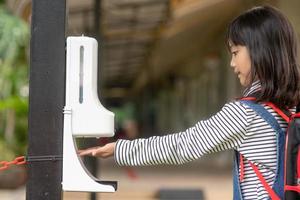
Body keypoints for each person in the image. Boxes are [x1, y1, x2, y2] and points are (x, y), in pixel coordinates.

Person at [79, 5, 300, 200]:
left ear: (259, 52)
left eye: (235, 52)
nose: (232, 63)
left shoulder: (245, 114)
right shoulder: (289, 109)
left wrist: (120, 149)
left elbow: (184, 146)